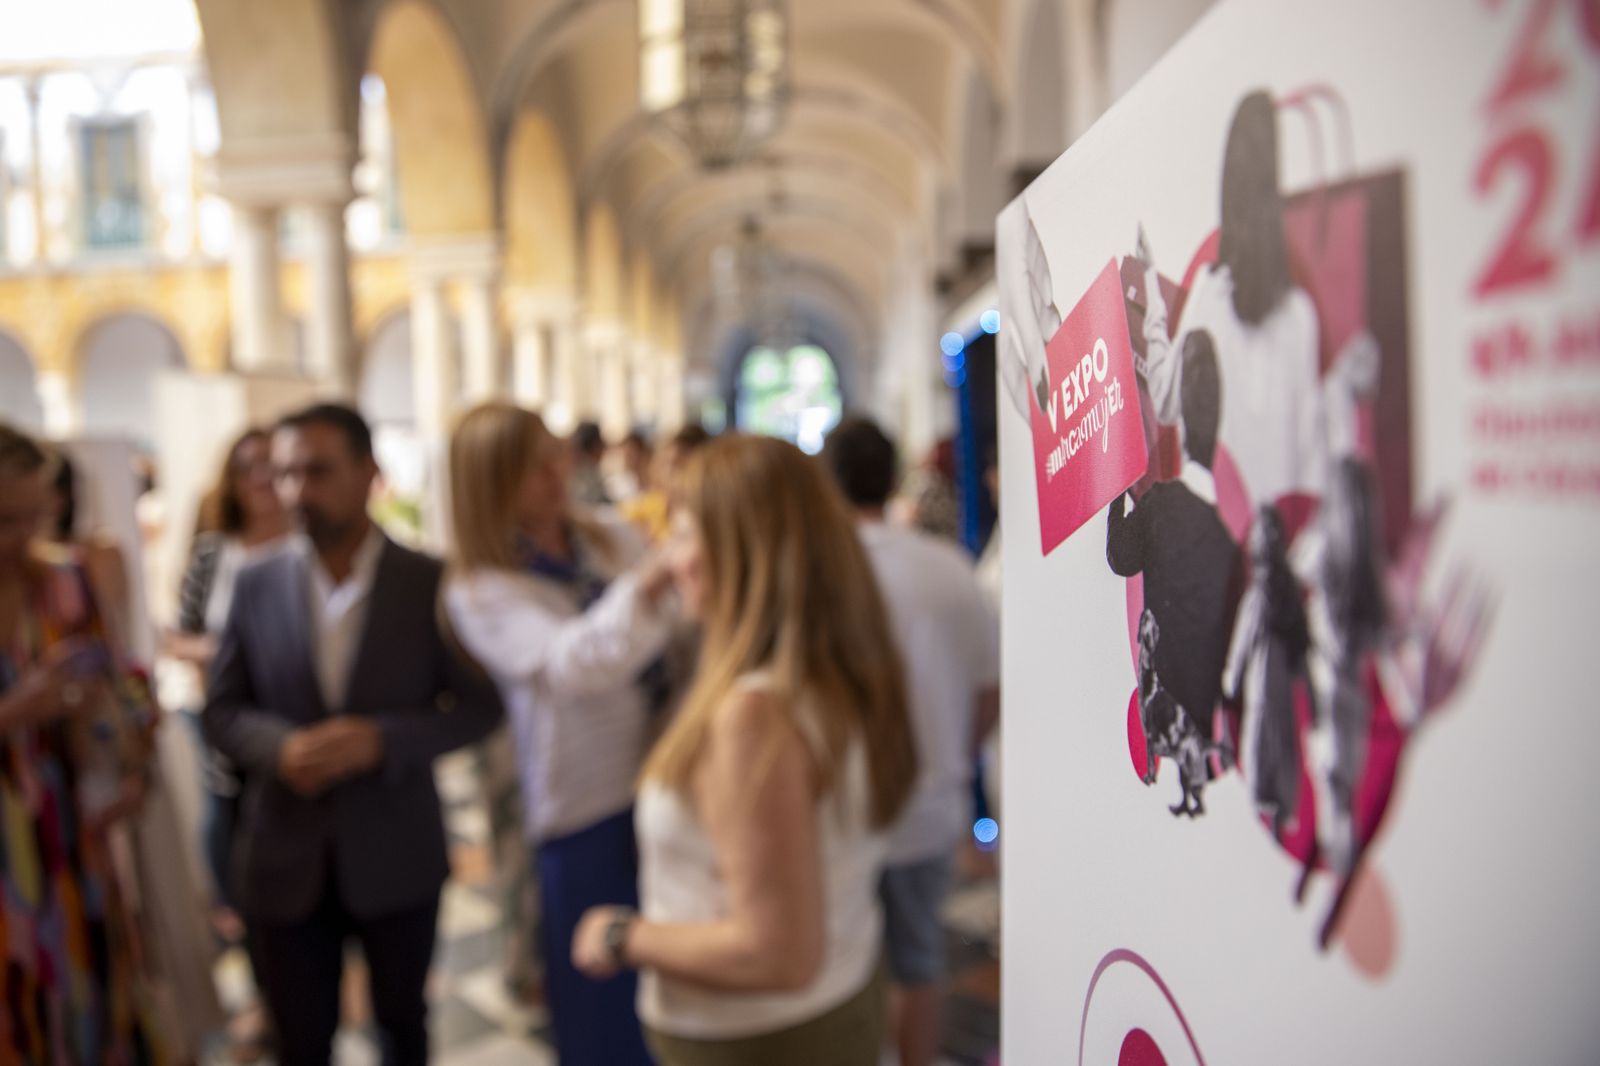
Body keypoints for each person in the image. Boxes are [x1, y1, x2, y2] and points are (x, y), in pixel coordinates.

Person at [572, 434, 919, 1066]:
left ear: (743, 552)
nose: (669, 560)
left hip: (764, 1037)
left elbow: (778, 953)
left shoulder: (753, 716)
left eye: (682, 535)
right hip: (835, 998)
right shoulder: (840, 668)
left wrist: (623, 935)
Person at [202, 404, 502, 1066]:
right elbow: (222, 711)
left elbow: (479, 707)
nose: (294, 492)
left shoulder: (425, 580)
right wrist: (277, 748)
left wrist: (384, 739)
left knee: (404, 1027)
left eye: (315, 472)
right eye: (283, 475)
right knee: (300, 1040)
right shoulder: (255, 581)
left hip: (396, 849)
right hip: (284, 852)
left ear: (369, 472)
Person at [443, 402, 676, 1066]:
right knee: (603, 1006)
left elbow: (663, 625)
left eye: (557, 454)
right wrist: (652, 584)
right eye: (535, 466)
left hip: (658, 775)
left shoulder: (602, 537)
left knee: (669, 979)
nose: (559, 472)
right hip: (583, 804)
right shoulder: (480, 587)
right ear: (491, 483)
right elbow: (575, 665)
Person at [821, 417, 1000, 1066]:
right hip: (932, 803)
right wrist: (954, 756)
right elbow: (990, 688)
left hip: (841, 807)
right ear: (894, 477)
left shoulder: (818, 572)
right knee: (920, 957)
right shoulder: (948, 566)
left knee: (846, 965)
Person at [0, 423, 163, 1064]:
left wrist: (134, 751)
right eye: (6, 519)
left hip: (70, 829)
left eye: (38, 514)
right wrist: (15, 710)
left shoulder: (64, 580)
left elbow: (121, 678)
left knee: (89, 986)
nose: (24, 537)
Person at [1139, 90, 1327, 509]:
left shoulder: (1211, 295)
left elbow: (1166, 402)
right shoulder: (1300, 318)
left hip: (1217, 549)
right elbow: (1312, 463)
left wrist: (1151, 285)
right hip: (1277, 554)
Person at [168, 428, 290, 1062]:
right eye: (250, 469)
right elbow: (181, 633)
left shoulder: (306, 545)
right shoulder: (217, 552)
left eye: (275, 468)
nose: (264, 481)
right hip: (228, 744)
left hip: (294, 741)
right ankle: (266, 996)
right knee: (238, 873)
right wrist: (229, 658)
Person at [1107, 333, 1241, 762]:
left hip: (1173, 704)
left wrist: (1118, 494)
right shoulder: (1227, 535)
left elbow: (1120, 557)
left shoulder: (1164, 505)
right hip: (1201, 709)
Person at [620, 424, 712, 543]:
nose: (662, 471)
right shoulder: (647, 507)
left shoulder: (707, 516)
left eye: (676, 465)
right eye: (661, 462)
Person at [570, 420, 611, 508]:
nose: (604, 450)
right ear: (595, 446)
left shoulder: (591, 468)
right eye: (601, 445)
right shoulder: (580, 471)